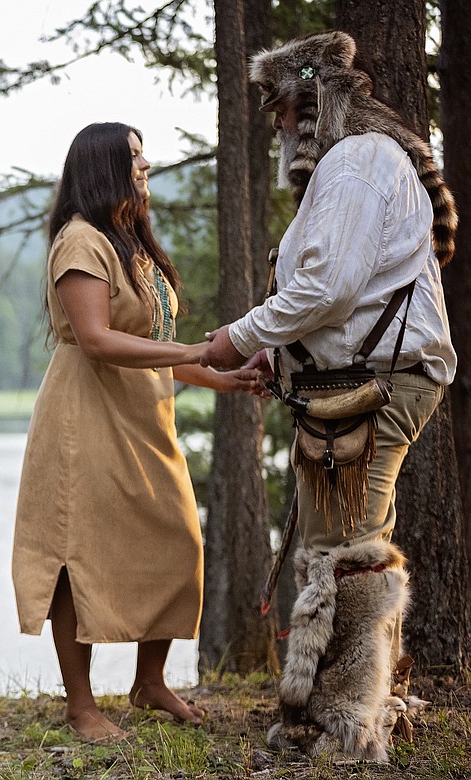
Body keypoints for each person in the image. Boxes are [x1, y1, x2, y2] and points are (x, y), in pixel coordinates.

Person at [201, 31, 456, 758]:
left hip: (371, 391)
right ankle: (359, 707)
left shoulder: (352, 165)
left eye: (281, 108)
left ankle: (346, 732)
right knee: (344, 545)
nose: (277, 125)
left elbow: (327, 289)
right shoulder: (354, 165)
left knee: (344, 555)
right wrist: (277, 360)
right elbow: (339, 298)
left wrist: (242, 336)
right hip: (352, 389)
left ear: (309, 103)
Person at [12, 123, 259, 741]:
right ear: (103, 169)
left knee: (177, 539)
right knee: (78, 554)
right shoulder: (80, 241)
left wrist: (219, 377)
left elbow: (149, 347)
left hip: (143, 417)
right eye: (135, 158)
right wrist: (198, 349)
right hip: (83, 418)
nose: (146, 167)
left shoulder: (132, 245)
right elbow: (95, 338)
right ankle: (80, 706)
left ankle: (150, 683)